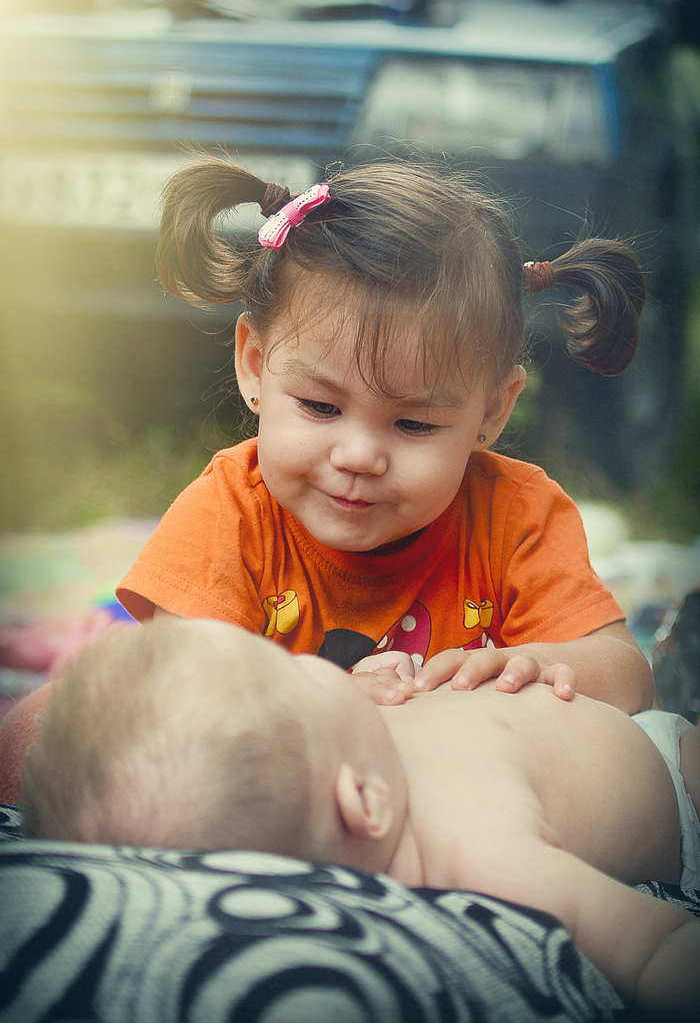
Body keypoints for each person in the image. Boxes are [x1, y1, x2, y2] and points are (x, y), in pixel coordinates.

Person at [115, 155, 652, 711]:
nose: (359, 457)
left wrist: (540, 666)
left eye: (414, 423)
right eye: (321, 406)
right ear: (255, 364)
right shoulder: (229, 514)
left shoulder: (516, 517)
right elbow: (182, 693)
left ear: (492, 411)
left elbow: (629, 677)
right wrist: (325, 697)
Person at [21, 618, 700, 1020]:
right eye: (300, 672)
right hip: (668, 773)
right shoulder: (480, 848)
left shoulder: (347, 755)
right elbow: (649, 949)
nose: (326, 668)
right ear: (364, 803)